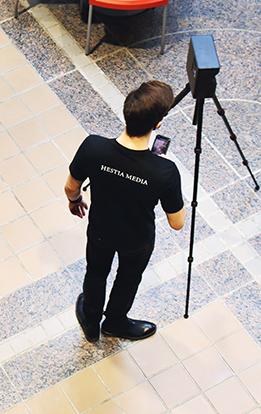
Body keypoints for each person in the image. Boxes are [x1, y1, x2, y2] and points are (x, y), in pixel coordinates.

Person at [65, 80, 186, 342]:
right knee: (128, 279)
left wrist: (75, 202)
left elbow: (71, 188)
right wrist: (163, 177)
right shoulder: (164, 171)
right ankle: (115, 323)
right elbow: (177, 222)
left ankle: (90, 319)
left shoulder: (93, 147)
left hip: (100, 231)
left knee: (95, 273)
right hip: (136, 240)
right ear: (157, 125)